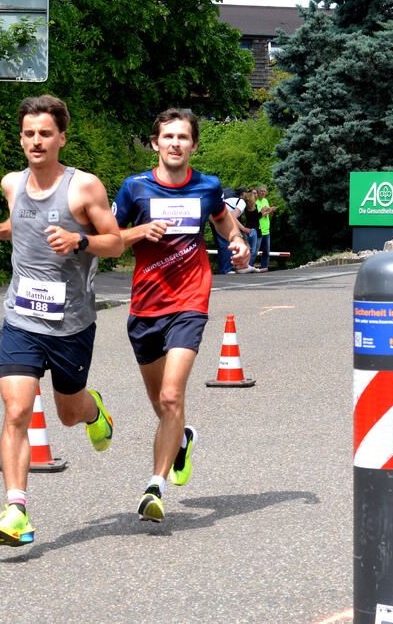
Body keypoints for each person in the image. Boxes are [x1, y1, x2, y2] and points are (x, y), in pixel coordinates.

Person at [0, 95, 125, 547]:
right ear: (20, 138)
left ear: (61, 137)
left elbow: (116, 243)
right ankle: (15, 509)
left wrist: (80, 241)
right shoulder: (12, 184)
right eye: (28, 134)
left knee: (66, 413)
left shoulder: (84, 188)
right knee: (17, 409)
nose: (36, 141)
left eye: (45, 133)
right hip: (21, 317)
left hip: (71, 324)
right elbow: (18, 224)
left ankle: (93, 409)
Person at [112, 108, 250, 523]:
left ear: (193, 144)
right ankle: (182, 439)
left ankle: (155, 486)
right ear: (155, 143)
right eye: (167, 137)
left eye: (183, 137)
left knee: (172, 396)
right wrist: (138, 232)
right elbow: (110, 239)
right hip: (144, 306)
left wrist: (238, 244)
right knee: (161, 404)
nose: (175, 143)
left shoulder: (207, 187)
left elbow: (226, 224)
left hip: (190, 300)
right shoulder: (134, 188)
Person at [213, 187, 257, 274]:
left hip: (216, 216)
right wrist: (243, 229)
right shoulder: (242, 203)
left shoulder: (235, 200)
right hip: (221, 218)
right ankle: (226, 269)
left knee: (222, 245)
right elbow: (233, 217)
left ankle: (223, 268)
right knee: (225, 244)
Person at [254, 184, 277, 272]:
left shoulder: (265, 200)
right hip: (259, 230)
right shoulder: (255, 202)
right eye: (261, 191)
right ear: (258, 193)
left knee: (266, 252)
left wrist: (270, 210)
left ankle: (264, 267)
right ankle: (250, 266)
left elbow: (266, 212)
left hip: (266, 230)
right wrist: (269, 210)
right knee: (254, 252)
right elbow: (259, 215)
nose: (263, 193)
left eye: (264, 191)